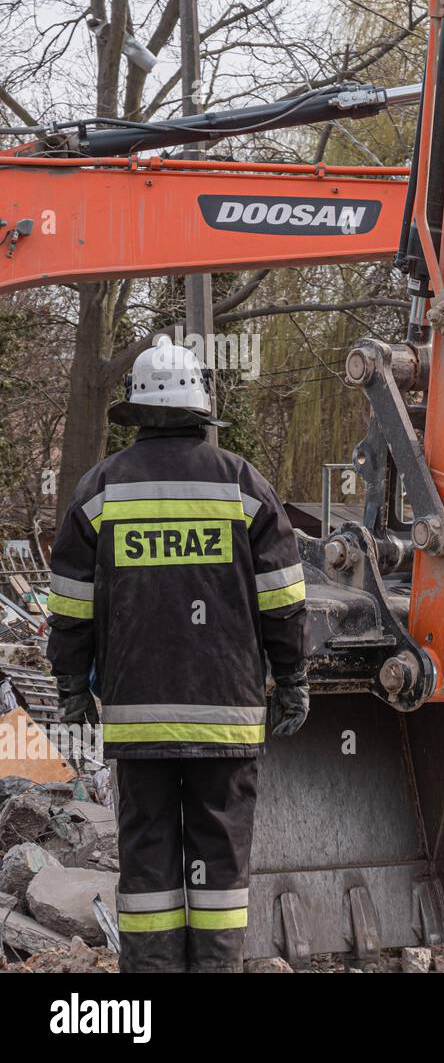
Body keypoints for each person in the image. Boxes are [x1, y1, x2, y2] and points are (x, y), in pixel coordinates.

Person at [46, 343, 309, 973]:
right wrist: (293, 678)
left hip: (140, 720)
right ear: (202, 408)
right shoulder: (244, 484)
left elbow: (71, 605)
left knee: (148, 861)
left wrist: (71, 688)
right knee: (219, 867)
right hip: (227, 716)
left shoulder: (99, 489)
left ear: (136, 410)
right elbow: (283, 600)